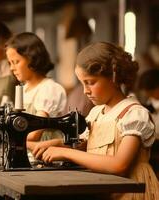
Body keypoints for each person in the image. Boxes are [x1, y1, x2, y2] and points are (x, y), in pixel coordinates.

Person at [33, 42, 159, 199]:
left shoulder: (134, 114)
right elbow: (85, 143)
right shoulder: (97, 113)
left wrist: (66, 152)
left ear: (113, 76)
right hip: (107, 189)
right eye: (82, 83)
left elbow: (119, 165)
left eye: (90, 82)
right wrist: (55, 144)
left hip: (133, 192)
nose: (85, 91)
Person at [5, 32, 67, 151]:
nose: (11, 68)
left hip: (44, 155)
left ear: (32, 58)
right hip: (28, 153)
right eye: (10, 63)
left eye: (16, 62)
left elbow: (34, 134)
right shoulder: (25, 90)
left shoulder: (49, 89)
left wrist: (10, 138)